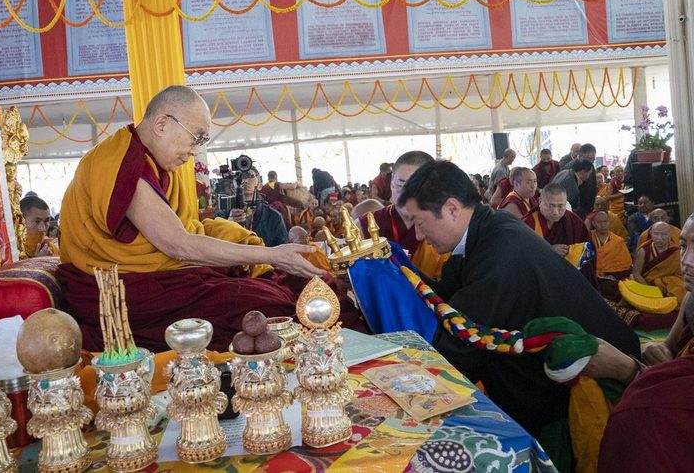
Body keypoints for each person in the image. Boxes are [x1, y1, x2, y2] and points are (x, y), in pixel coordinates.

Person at [58, 85, 360, 352]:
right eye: (195, 137)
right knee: (268, 306)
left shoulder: (151, 162)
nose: (195, 150)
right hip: (130, 290)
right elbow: (179, 244)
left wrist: (234, 238)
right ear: (162, 123)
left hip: (165, 275)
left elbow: (187, 227)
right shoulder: (124, 165)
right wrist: (272, 254)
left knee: (286, 286)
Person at [397, 161, 639, 436]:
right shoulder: (488, 226)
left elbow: (459, 346)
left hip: (578, 392)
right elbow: (448, 294)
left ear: (452, 208)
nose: (418, 235)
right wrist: (399, 271)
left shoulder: (499, 256)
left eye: (420, 222)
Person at [584, 214, 694, 472]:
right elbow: (669, 346)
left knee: (638, 426)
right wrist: (659, 352)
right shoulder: (691, 298)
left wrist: (629, 370)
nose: (687, 262)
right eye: (684, 246)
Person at [359, 151, 450, 279]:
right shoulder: (365, 225)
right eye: (401, 185)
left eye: (418, 186)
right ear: (391, 184)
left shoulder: (446, 227)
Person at [523, 183, 599, 288]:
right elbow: (521, 257)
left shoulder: (573, 221)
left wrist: (574, 253)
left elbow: (589, 250)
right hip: (539, 280)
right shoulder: (527, 224)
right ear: (540, 202)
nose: (556, 212)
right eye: (551, 205)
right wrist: (549, 251)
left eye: (561, 206)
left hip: (569, 278)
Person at [218, 167, 288, 247]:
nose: (245, 180)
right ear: (233, 184)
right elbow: (212, 250)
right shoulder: (221, 216)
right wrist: (228, 225)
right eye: (240, 176)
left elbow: (283, 252)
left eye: (250, 176)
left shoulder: (273, 217)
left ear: (259, 185)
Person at [632, 222, 686, 304]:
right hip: (648, 285)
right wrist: (648, 289)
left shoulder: (676, 251)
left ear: (670, 234)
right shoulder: (644, 251)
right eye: (656, 234)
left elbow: (680, 274)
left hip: (672, 285)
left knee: (683, 290)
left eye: (663, 234)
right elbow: (636, 273)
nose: (659, 238)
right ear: (651, 233)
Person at [590, 211, 632, 299]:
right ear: (593, 223)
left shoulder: (618, 241)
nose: (603, 225)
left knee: (620, 287)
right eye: (599, 222)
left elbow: (626, 266)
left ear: (609, 222)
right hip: (592, 275)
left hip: (612, 277)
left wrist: (612, 275)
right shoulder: (587, 238)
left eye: (605, 221)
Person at [561, 143, 597, 218]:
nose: (591, 161)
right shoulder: (570, 168)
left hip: (588, 207)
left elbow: (593, 184)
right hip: (577, 210)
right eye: (589, 158)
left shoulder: (590, 165)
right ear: (580, 156)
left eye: (593, 159)